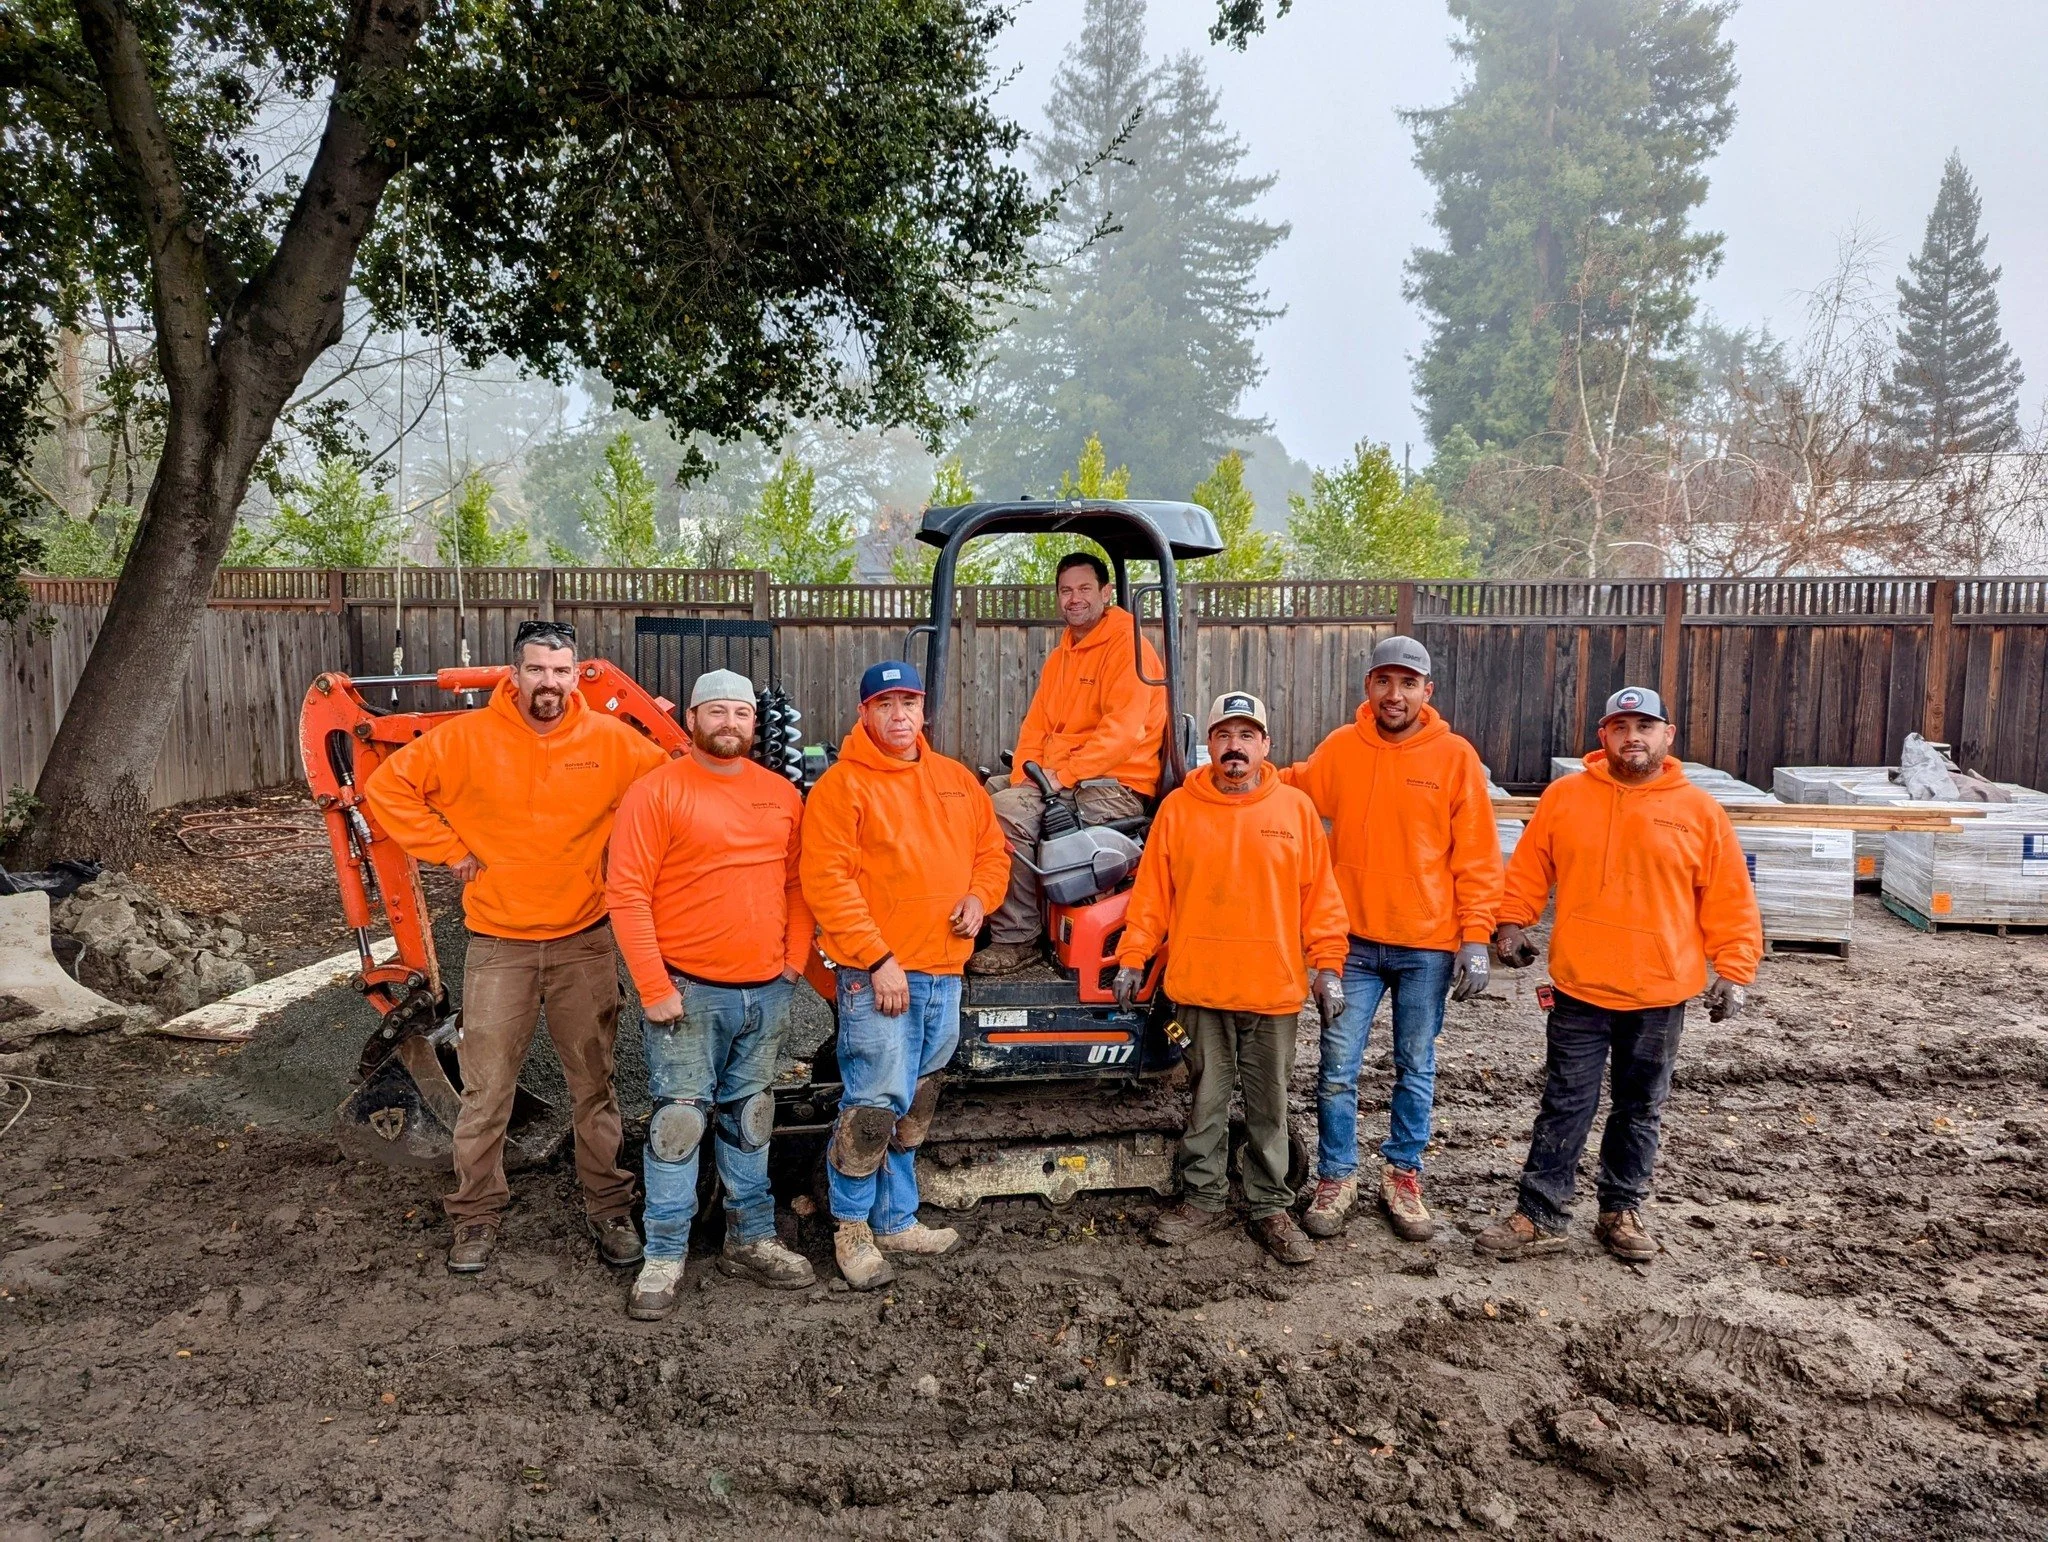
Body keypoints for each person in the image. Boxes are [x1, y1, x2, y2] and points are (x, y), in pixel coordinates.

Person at [366, 620, 668, 1274]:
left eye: (561, 671)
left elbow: (672, 794)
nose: (550, 683)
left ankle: (609, 1206)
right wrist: (450, 850)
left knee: (595, 1085)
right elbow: (386, 788)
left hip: (584, 943)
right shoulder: (465, 741)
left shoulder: (613, 744)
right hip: (498, 946)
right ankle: (475, 1216)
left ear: (576, 673)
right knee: (486, 1089)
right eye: (537, 670)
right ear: (514, 674)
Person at [1475, 686, 1762, 1265]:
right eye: (1621, 726)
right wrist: (1509, 923)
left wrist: (1734, 968)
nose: (1633, 736)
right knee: (1565, 1102)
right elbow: (1529, 869)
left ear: (1667, 735)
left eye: (1645, 726)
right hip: (1579, 985)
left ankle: (1621, 1209)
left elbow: (1729, 897)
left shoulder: (1700, 813)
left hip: (1660, 992)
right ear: (1602, 735)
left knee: (1640, 1107)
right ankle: (1540, 1214)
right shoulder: (1565, 798)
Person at [605, 669, 817, 1320]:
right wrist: (653, 985)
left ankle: (749, 1238)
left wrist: (792, 962)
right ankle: (664, 1255)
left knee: (751, 1119)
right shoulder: (656, 792)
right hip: (688, 995)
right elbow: (627, 893)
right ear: (692, 719)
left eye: (742, 713)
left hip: (766, 993)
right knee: (678, 1124)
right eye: (716, 711)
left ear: (756, 724)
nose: (730, 723)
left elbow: (796, 884)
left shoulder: (781, 794)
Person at [1113, 692, 1350, 1266]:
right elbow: (1151, 898)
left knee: (1269, 1106)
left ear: (1266, 746)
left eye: (1247, 736)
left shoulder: (1294, 811)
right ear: (1209, 745)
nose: (1235, 747)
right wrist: (1133, 955)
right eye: (1224, 736)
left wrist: (1329, 966)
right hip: (1199, 989)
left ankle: (1270, 1204)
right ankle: (1204, 1198)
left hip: (1273, 992)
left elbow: (1320, 900)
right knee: (1206, 1102)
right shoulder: (1179, 810)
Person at [1280, 636, 1503, 1244]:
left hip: (1426, 947)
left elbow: (1479, 856)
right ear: (1369, 687)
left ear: (1427, 691)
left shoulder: (1454, 758)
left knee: (1415, 1066)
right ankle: (1337, 1175)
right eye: (1384, 681)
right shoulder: (1342, 749)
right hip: (1350, 945)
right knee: (1335, 1067)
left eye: (1408, 684)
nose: (1394, 694)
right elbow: (1295, 786)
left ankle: (1403, 1175)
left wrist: (1476, 937)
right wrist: (1226, 768)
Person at [800, 660, 1010, 1290]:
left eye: (908, 704)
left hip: (945, 971)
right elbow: (827, 884)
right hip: (880, 977)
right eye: (885, 705)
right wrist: (877, 958)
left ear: (924, 712)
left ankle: (898, 1218)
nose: (898, 716)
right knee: (871, 1104)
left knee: (914, 1101)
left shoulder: (955, 781)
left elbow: (991, 853)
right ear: (863, 714)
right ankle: (853, 1229)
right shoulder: (843, 788)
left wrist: (980, 897)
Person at [971, 552, 1166, 975]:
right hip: (1064, 780)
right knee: (978, 797)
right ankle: (984, 911)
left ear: (1106, 593)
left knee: (1005, 813)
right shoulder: (1063, 655)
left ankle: (1017, 937)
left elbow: (1122, 734)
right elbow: (1036, 726)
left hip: (1114, 786)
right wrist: (1027, 775)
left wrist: (1058, 778)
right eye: (1065, 590)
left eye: (1083, 588)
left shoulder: (1127, 647)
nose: (1073, 598)